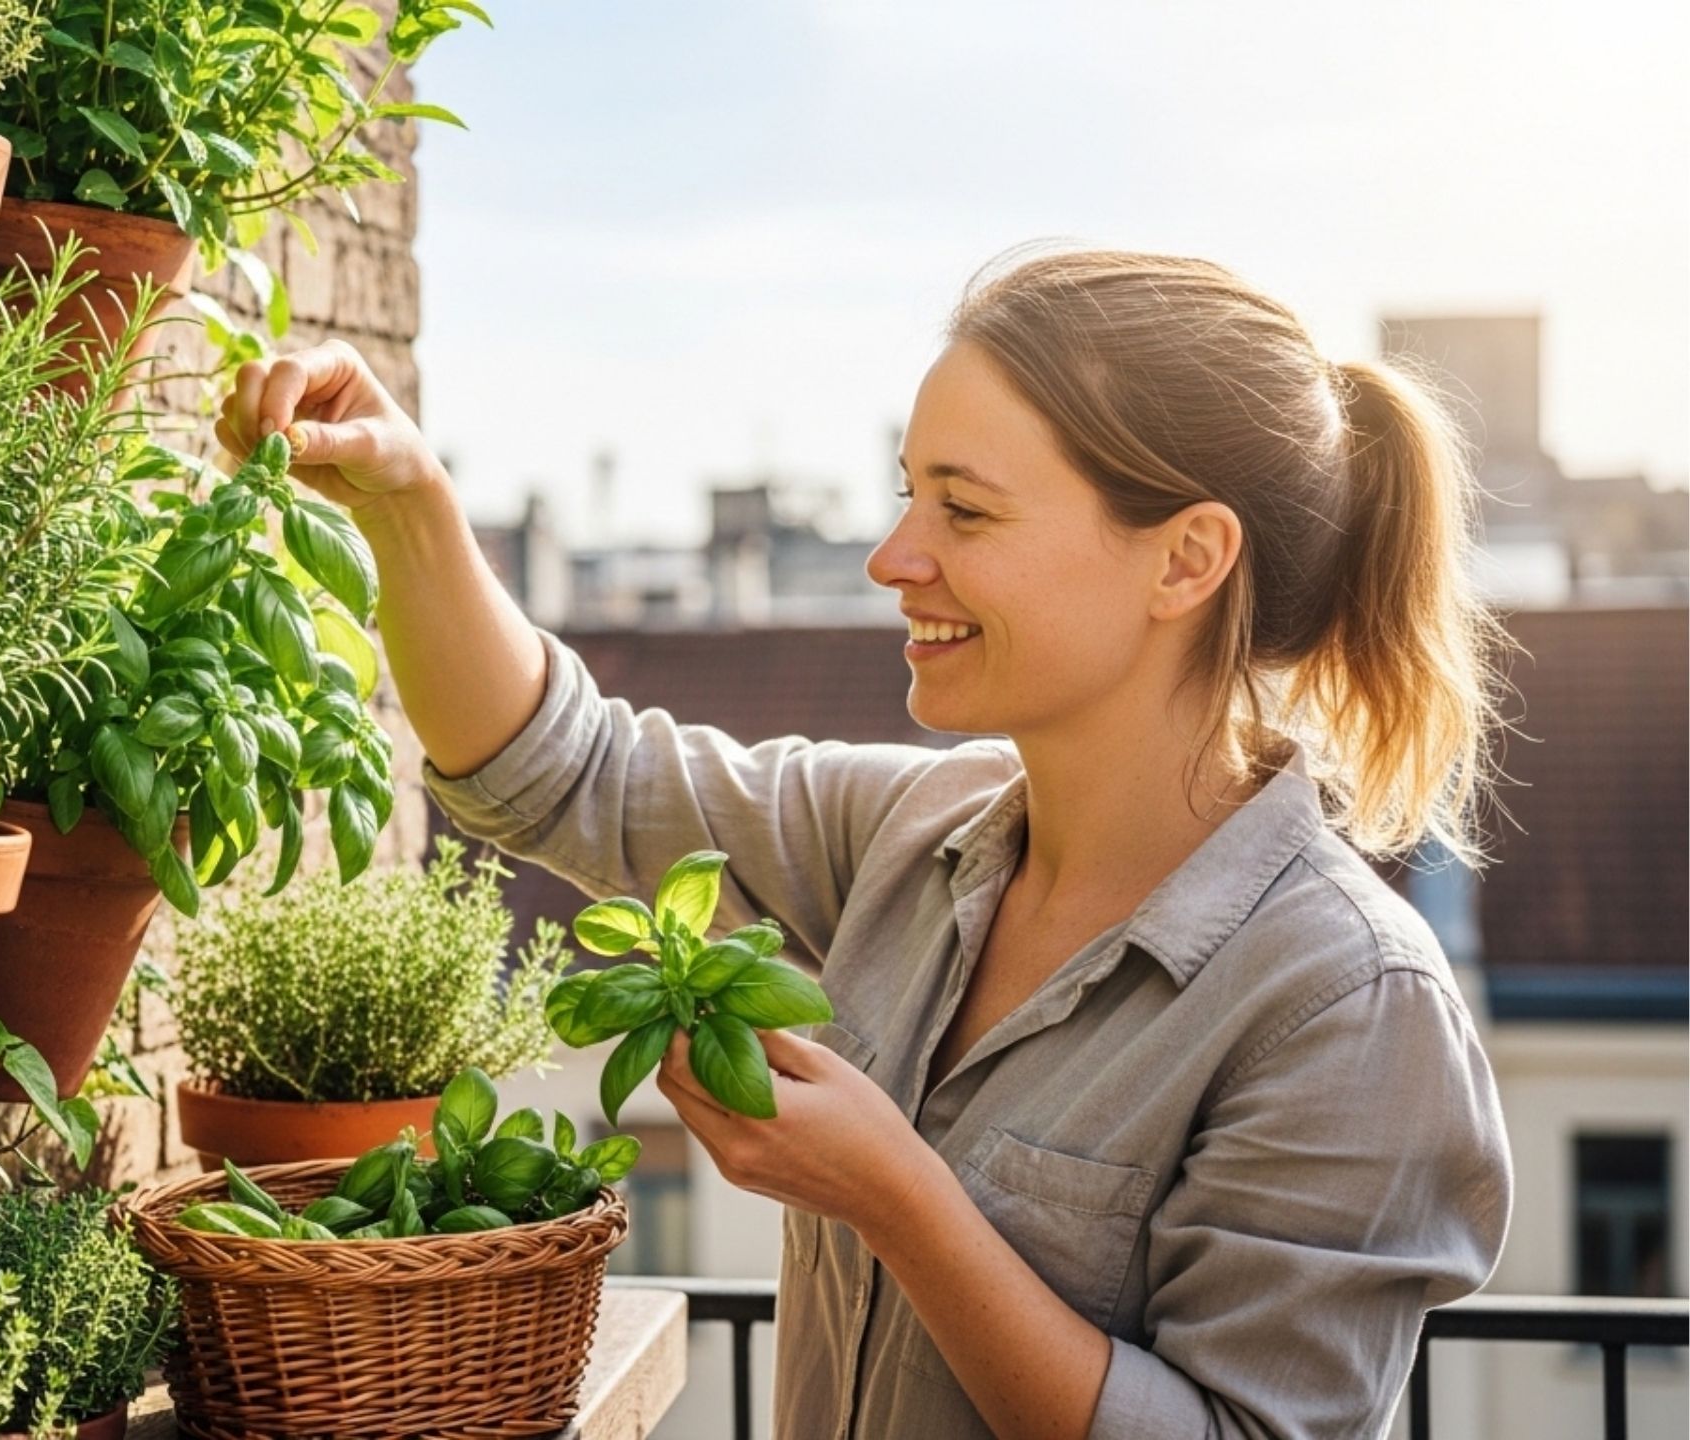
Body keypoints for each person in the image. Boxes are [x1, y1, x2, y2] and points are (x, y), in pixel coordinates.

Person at [213, 247, 1516, 1439]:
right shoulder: (907, 833)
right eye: (909, 497)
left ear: (1186, 560)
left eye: (966, 511)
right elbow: (568, 775)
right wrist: (407, 504)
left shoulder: (1348, 1006)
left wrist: (902, 1199)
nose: (894, 557)